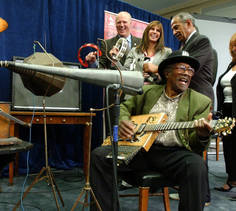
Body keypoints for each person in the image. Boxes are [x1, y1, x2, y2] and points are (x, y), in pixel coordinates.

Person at [90, 50, 213, 211]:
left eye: (190, 70)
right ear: (167, 73)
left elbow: (196, 145)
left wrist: (202, 135)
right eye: (182, 68)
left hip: (175, 154)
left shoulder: (201, 101)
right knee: (99, 156)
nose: (187, 74)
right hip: (141, 150)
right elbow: (124, 108)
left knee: (197, 165)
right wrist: (123, 121)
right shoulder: (148, 91)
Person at [171, 12, 215, 104]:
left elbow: (191, 67)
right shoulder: (184, 45)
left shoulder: (202, 41)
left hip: (200, 97)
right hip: (187, 97)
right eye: (172, 30)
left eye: (176, 27)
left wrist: (156, 68)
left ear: (188, 23)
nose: (174, 33)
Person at [214, 32, 236, 192]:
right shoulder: (231, 65)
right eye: (233, 45)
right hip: (227, 111)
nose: (234, 48)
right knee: (228, 146)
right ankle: (232, 179)